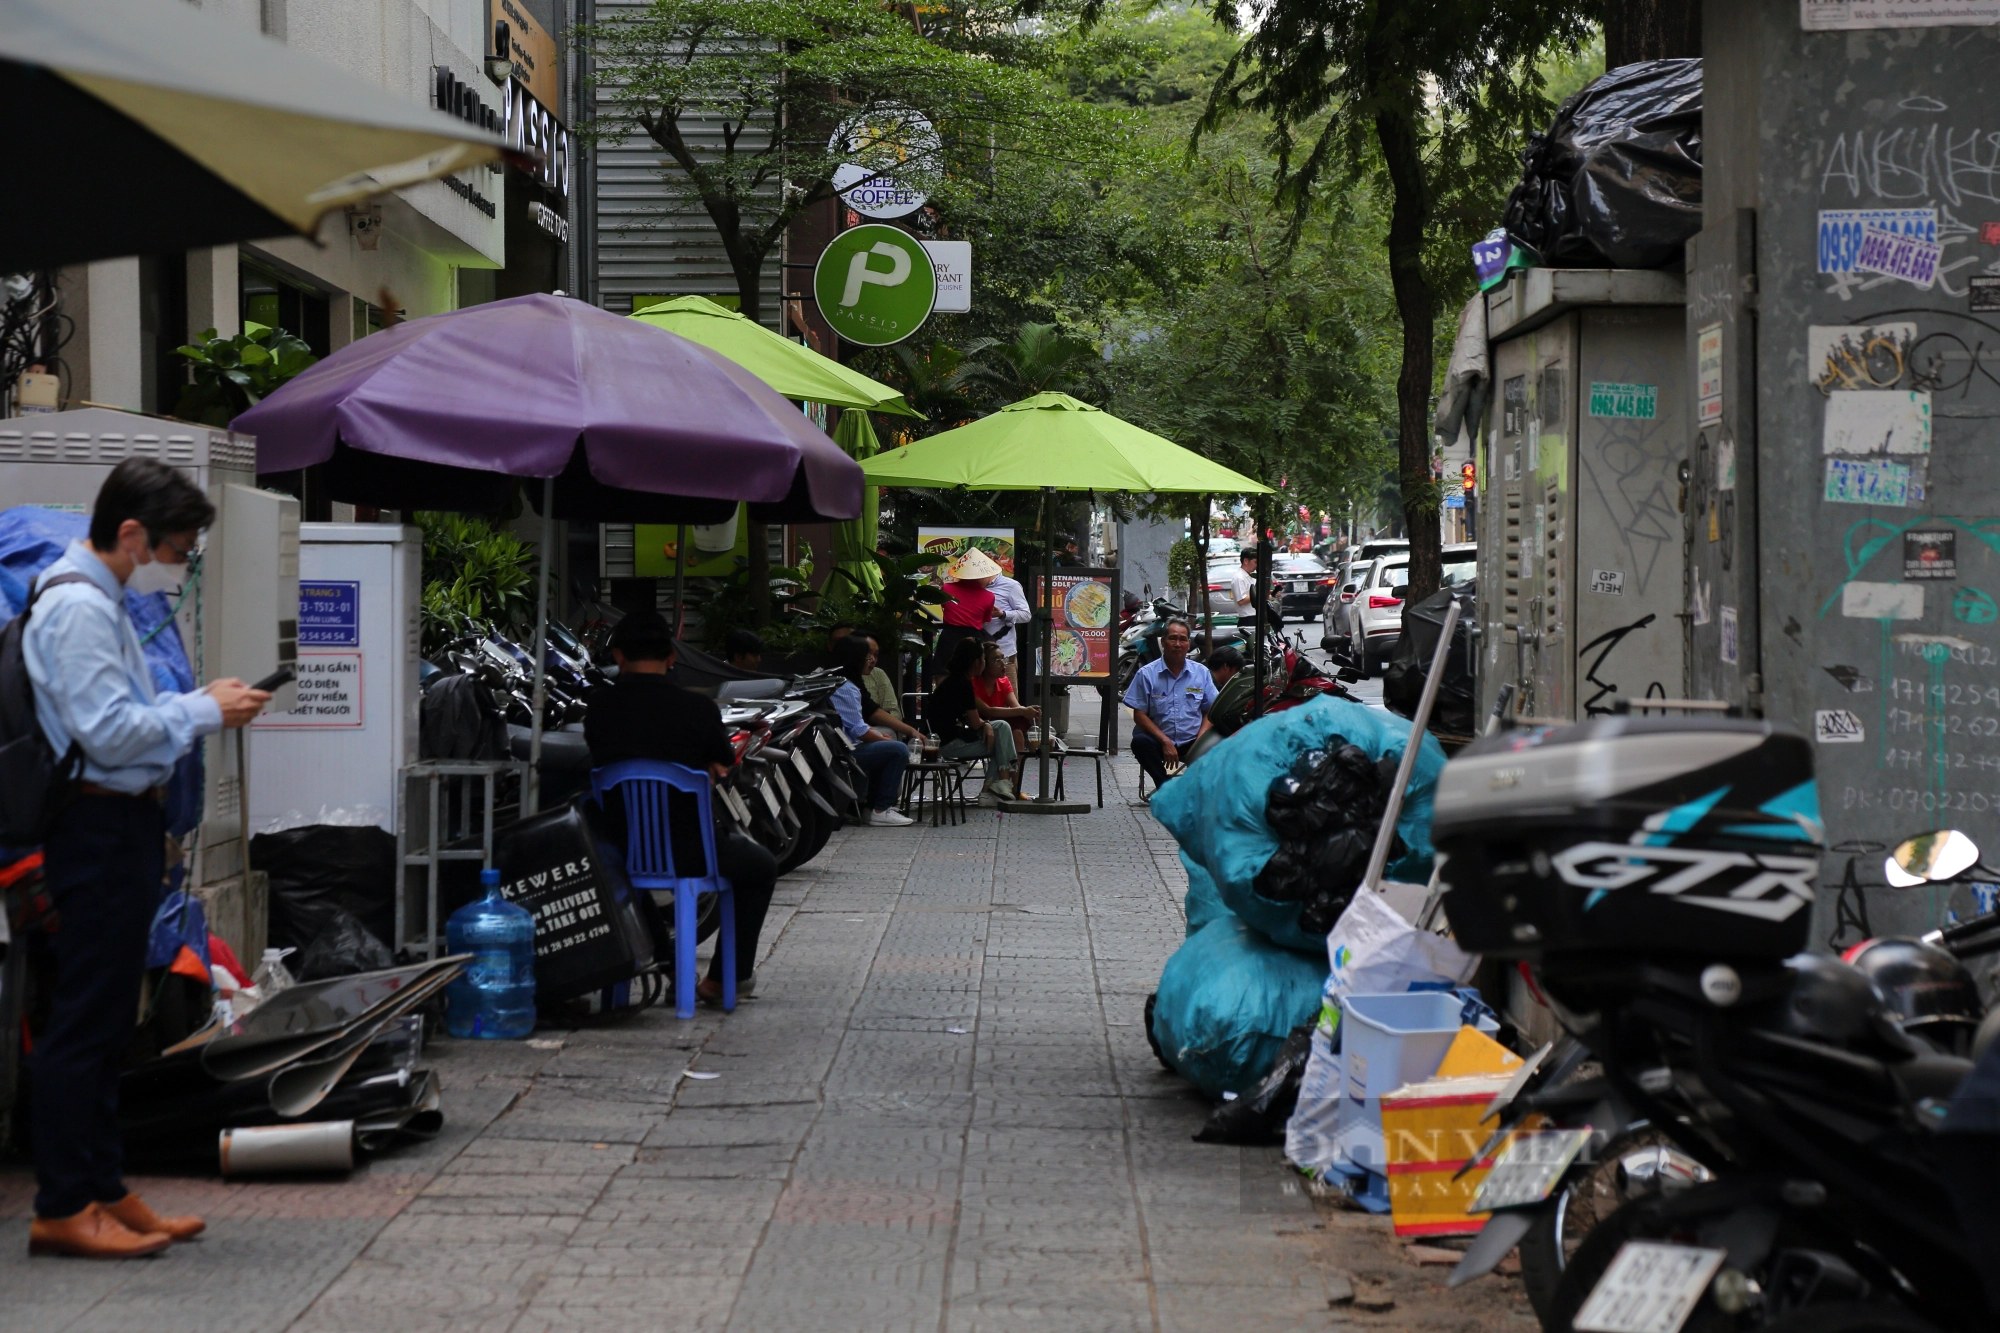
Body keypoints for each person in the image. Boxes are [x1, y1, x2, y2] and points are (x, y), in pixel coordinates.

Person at [23, 459, 271, 1259]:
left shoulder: (100, 600)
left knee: (103, 1022)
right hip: (95, 831)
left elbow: (124, 715)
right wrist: (205, 710)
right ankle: (64, 1204)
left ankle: (103, 1187)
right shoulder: (78, 610)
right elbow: (108, 732)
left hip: (116, 826)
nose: (174, 562)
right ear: (129, 532)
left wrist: (197, 706)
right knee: (84, 1026)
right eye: (172, 547)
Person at [584, 612, 781, 1004]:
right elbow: (724, 763)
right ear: (672, 657)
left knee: (629, 878)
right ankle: (724, 980)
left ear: (619, 656)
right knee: (760, 867)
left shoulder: (599, 707)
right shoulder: (697, 709)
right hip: (692, 850)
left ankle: (666, 961)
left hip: (617, 849)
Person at [1121, 618, 1216, 797]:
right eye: (1172, 639)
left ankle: (1201, 792)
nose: (1178, 644)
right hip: (1159, 740)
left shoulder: (1201, 673)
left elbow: (1209, 711)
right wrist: (1165, 741)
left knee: (1219, 746)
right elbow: (1139, 715)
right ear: (1163, 642)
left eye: (1183, 639)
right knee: (1140, 743)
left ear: (1189, 643)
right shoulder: (1146, 674)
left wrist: (1200, 741)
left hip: (1192, 740)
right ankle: (1167, 790)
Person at [828, 635, 915, 825]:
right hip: (845, 752)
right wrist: (886, 741)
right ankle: (881, 808)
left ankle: (871, 807)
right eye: (867, 657)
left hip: (840, 747)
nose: (872, 662)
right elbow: (859, 731)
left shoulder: (836, 682)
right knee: (898, 750)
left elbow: (854, 722)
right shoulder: (847, 688)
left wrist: (879, 736)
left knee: (887, 744)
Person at [927, 636, 1020, 805]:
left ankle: (990, 790)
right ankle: (1001, 784)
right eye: (985, 659)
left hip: (944, 739)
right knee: (1001, 730)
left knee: (999, 740)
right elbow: (976, 722)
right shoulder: (964, 683)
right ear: (977, 663)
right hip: (949, 744)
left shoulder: (952, 680)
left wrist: (985, 726)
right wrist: (986, 725)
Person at [933, 549, 999, 679]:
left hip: (949, 637)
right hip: (973, 640)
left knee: (943, 673)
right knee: (971, 676)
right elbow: (984, 620)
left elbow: (944, 607)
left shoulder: (946, 588)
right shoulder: (989, 596)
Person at [972, 641, 1039, 758]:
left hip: (1001, 728)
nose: (1003, 664)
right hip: (979, 728)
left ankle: (1015, 775)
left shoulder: (1004, 681)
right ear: (983, 664)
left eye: (1003, 658)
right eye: (997, 661)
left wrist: (1030, 712)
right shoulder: (973, 683)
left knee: (1017, 733)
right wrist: (1023, 711)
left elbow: (1015, 706)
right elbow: (987, 711)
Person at [981, 566, 1032, 680]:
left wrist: (1003, 614)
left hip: (1004, 653)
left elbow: (1026, 615)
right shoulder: (972, 586)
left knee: (1008, 694)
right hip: (979, 654)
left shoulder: (1011, 585)